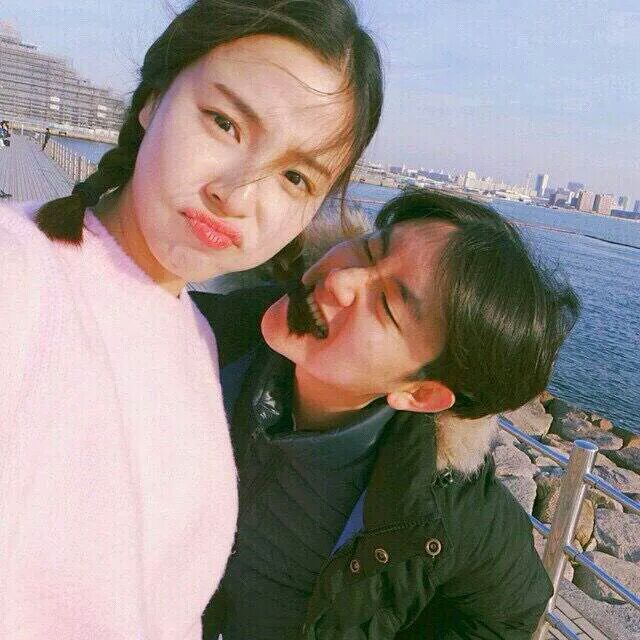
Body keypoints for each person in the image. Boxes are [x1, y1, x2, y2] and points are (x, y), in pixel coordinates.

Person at [0, 1, 382, 638]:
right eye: (225, 124)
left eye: (294, 177)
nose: (236, 194)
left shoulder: (195, 338)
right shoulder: (18, 274)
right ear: (153, 99)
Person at [193, 189, 580, 639]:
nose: (339, 279)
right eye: (371, 248)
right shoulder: (200, 339)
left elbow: (514, 610)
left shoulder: (432, 511)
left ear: (419, 393)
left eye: (386, 305)